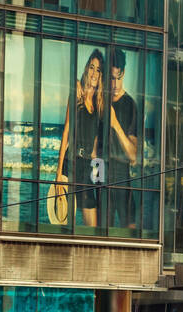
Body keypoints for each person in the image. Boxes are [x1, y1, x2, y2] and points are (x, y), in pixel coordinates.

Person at [55, 48, 106, 227]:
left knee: (92, 225)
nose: (94, 73)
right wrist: (58, 173)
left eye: (98, 70)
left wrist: (100, 178)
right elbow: (66, 131)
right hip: (73, 161)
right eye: (91, 67)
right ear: (86, 69)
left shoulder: (100, 102)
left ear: (101, 75)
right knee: (66, 222)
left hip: (90, 166)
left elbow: (97, 144)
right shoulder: (76, 94)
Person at [105, 48, 139, 229]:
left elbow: (133, 156)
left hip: (121, 177)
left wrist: (116, 124)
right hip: (101, 177)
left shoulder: (130, 105)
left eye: (118, 78)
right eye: (111, 78)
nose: (115, 84)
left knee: (130, 232)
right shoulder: (100, 100)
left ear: (124, 73)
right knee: (100, 236)